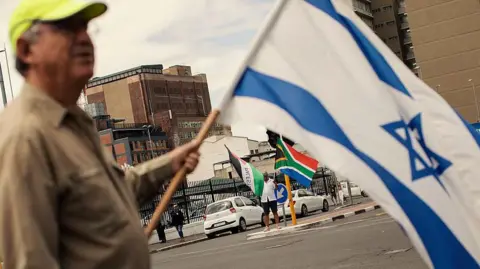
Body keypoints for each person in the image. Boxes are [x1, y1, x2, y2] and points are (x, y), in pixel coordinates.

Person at [0, 1, 201, 268]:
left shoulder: (76, 122)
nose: (84, 38)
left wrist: (169, 164)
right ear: (27, 50)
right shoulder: (24, 137)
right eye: (67, 29)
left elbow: (111, 197)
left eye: (85, 28)